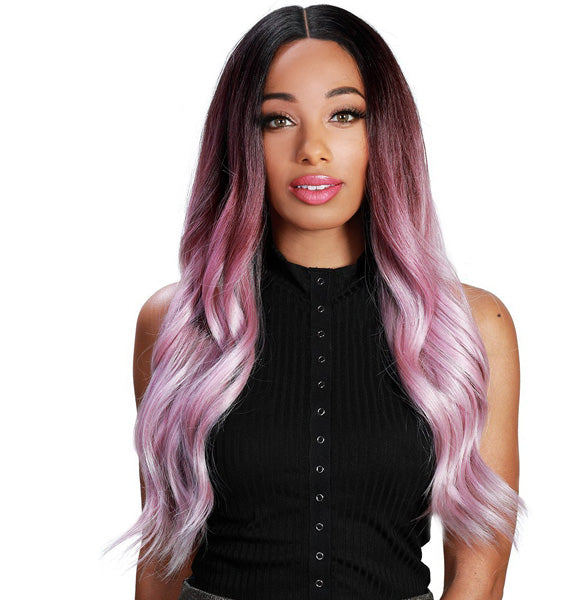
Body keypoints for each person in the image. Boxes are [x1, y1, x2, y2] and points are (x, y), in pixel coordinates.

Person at [106, 5, 526, 600]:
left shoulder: (471, 327)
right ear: (242, 141)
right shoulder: (181, 323)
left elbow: (481, 564)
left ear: (384, 133)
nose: (313, 149)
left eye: (344, 114)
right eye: (278, 120)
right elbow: (163, 559)